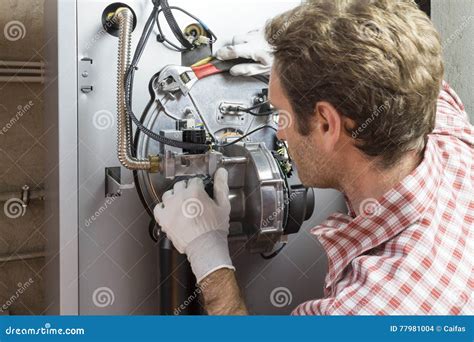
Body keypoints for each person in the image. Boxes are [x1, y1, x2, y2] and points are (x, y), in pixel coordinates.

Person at [154, 0, 473, 315]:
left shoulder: (366, 311)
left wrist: (209, 259)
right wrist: (295, 67)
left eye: (280, 114)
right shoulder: (450, 135)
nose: (279, 133)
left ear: (326, 123)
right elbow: (404, 63)